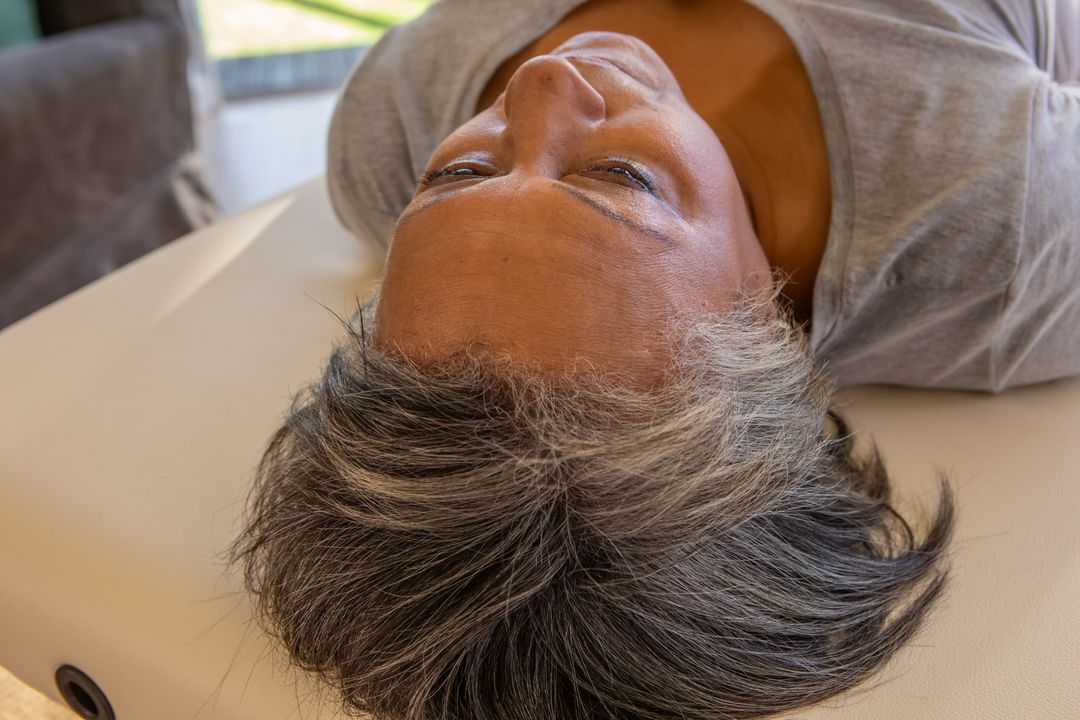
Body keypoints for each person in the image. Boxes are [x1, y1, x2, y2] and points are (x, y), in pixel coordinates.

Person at [227, 1, 1079, 719]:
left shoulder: (389, 128)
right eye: (622, 178)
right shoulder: (1006, 225)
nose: (542, 82)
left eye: (459, 174)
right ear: (768, 319)